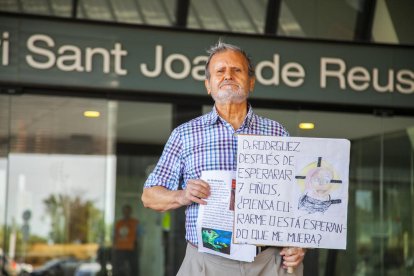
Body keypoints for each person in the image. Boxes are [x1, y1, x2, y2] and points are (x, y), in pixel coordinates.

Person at [142, 40, 306, 275]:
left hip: (269, 262)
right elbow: (149, 196)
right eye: (220, 71)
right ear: (208, 85)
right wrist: (183, 195)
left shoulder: (277, 133)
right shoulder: (184, 134)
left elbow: (299, 199)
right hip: (206, 263)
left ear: (251, 82)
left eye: (236, 70)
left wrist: (300, 244)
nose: (228, 76)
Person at [113, 204, 140, 276]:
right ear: (123, 212)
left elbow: (139, 236)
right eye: (125, 211)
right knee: (120, 269)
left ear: (130, 212)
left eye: (128, 211)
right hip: (120, 249)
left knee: (133, 269)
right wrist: (114, 246)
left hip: (132, 249)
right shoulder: (118, 223)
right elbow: (115, 236)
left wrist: (139, 248)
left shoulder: (135, 222)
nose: (126, 213)